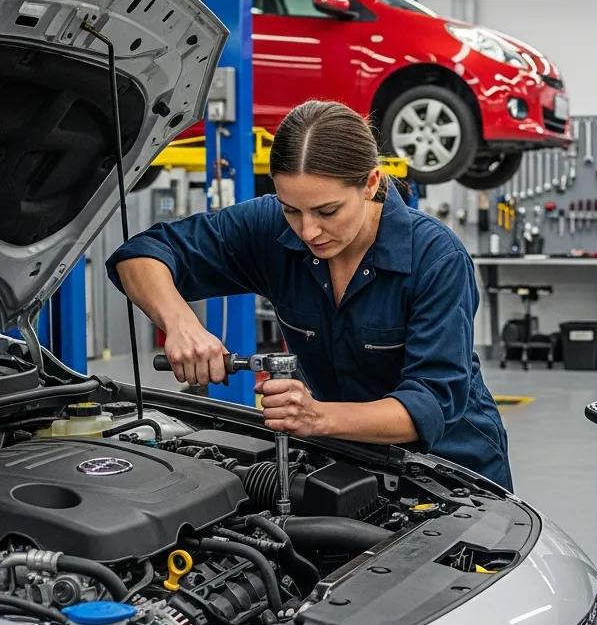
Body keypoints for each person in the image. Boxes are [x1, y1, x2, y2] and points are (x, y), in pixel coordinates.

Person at [107, 99, 512, 489]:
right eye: (291, 210)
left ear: (371, 183)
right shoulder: (270, 228)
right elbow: (139, 255)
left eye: (328, 211)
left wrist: (316, 417)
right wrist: (181, 323)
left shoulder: (436, 257)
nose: (307, 231)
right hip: (347, 459)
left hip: (455, 471)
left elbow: (430, 405)